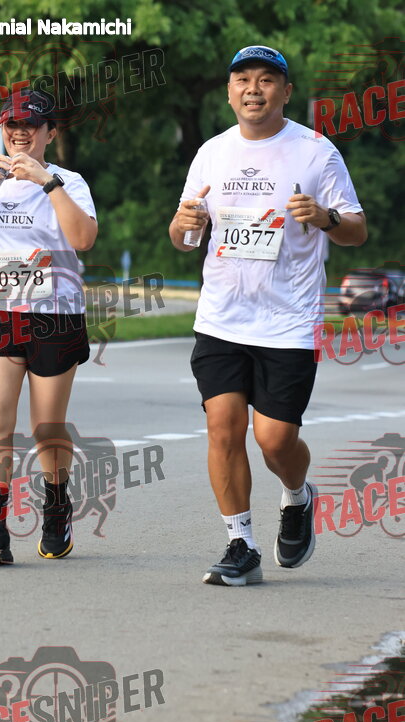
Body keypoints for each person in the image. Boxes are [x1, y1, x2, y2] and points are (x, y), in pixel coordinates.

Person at [169, 45, 367, 586]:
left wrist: (325, 217)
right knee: (223, 428)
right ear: (229, 92)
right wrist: (185, 224)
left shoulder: (316, 152)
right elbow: (183, 237)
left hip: (288, 321)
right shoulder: (211, 152)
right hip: (221, 318)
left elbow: (356, 229)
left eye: (265, 79)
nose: (253, 89)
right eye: (242, 79)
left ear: (286, 91)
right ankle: (241, 544)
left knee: (275, 440)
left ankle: (297, 496)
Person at [0, 89, 98, 565]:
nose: (20, 132)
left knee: (46, 427)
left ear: (50, 132)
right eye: (12, 124)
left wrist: (48, 183)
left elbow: (84, 238)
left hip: (55, 316)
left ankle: (56, 507)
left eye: (31, 124)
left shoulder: (69, 181)